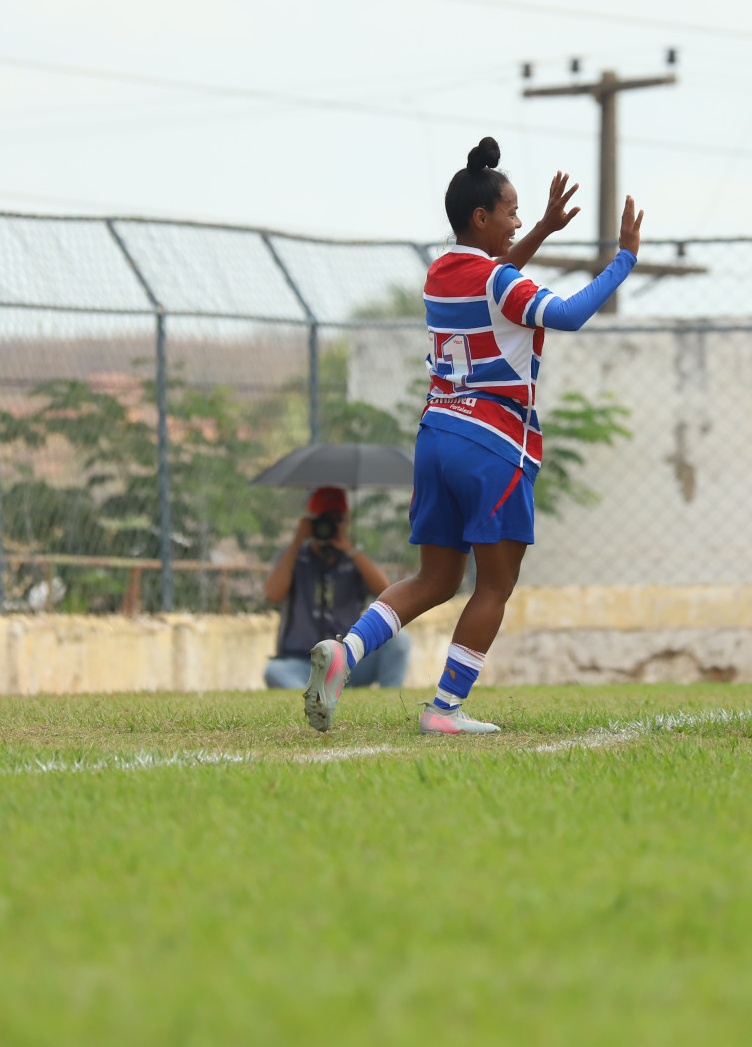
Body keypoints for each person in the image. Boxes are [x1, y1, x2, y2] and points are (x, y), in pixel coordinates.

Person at [302, 136, 638, 735]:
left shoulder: (440, 272)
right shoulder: (498, 281)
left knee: (434, 579)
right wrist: (623, 260)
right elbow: (563, 313)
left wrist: (540, 230)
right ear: (480, 216)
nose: (514, 223)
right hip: (492, 446)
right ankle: (445, 710)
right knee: (496, 583)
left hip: (436, 436)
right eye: (510, 212)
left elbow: (497, 278)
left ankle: (346, 653)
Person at [261, 486, 405, 690]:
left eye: (336, 519)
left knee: (398, 641)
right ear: (310, 521)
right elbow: (272, 594)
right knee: (274, 672)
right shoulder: (294, 557)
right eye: (323, 518)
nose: (328, 525)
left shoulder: (354, 558)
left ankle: (391, 702)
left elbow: (386, 592)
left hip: (347, 661)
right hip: (302, 662)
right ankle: (312, 702)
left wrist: (349, 547)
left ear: (346, 521)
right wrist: (297, 541)